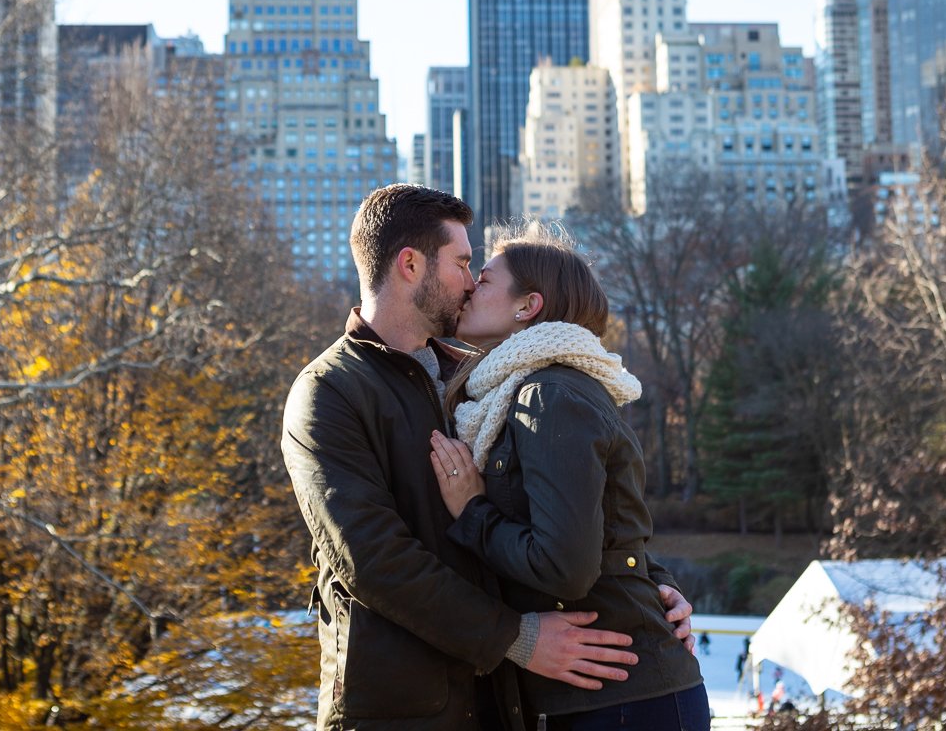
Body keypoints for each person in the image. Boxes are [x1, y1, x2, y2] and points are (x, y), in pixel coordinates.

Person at [283, 186, 695, 731]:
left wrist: (651, 581)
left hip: (503, 703)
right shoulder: (329, 391)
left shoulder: (480, 384)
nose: (471, 279)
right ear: (410, 265)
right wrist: (515, 638)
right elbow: (373, 559)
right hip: (400, 710)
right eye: (461, 262)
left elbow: (565, 503)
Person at [428, 222, 710, 730]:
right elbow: (607, 524)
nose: (471, 287)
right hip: (590, 697)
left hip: (623, 701)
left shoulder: (550, 395)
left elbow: (566, 567)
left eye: (485, 279)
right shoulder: (506, 393)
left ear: (527, 306)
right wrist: (659, 579)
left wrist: (473, 512)